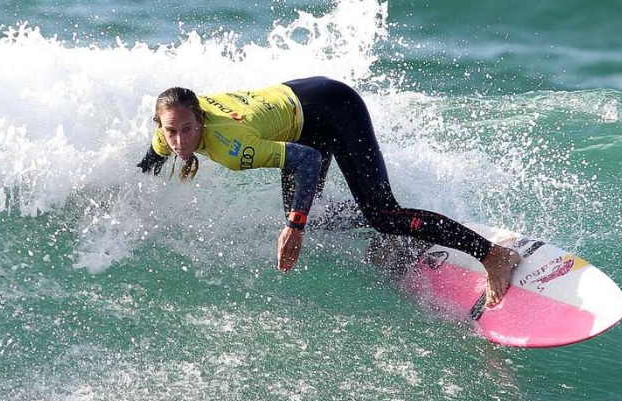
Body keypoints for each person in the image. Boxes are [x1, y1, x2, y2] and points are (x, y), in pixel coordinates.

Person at [136, 76, 520, 306]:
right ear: (161, 126)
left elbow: (306, 159)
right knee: (314, 213)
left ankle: (492, 254)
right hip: (303, 109)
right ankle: (397, 233)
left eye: (187, 130)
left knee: (379, 213)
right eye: (171, 132)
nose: (179, 140)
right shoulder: (167, 130)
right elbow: (147, 166)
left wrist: (294, 228)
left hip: (335, 108)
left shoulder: (233, 148)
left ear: (200, 120)